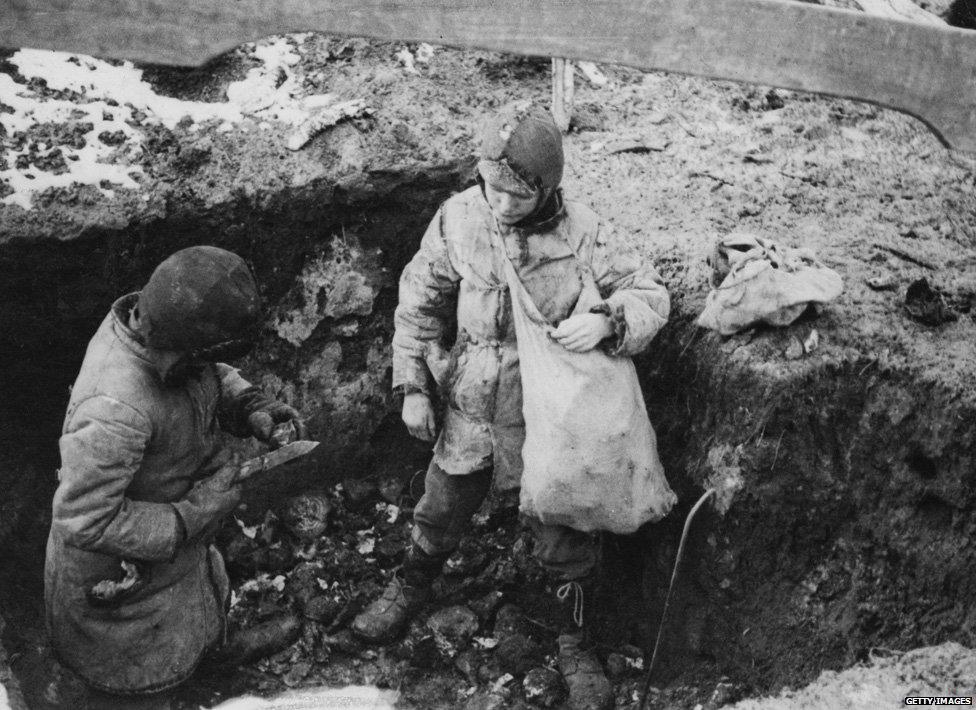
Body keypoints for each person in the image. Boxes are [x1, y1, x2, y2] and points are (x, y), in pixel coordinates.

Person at [351, 103, 671, 710]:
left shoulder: (583, 231)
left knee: (561, 531)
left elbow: (651, 293)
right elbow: (418, 302)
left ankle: (575, 640)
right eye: (491, 189)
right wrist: (414, 387)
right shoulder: (458, 218)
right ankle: (412, 582)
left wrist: (607, 321)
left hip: (547, 411)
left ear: (547, 189)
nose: (500, 205)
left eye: (516, 196)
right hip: (471, 394)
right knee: (442, 501)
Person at [44, 246, 306, 709]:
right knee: (142, 683)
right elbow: (84, 519)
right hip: (122, 589)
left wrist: (251, 407)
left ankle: (207, 660)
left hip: (172, 566)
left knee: (188, 620)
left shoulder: (162, 331)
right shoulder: (114, 406)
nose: (197, 366)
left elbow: (208, 373)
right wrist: (192, 515)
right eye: (191, 357)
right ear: (169, 343)